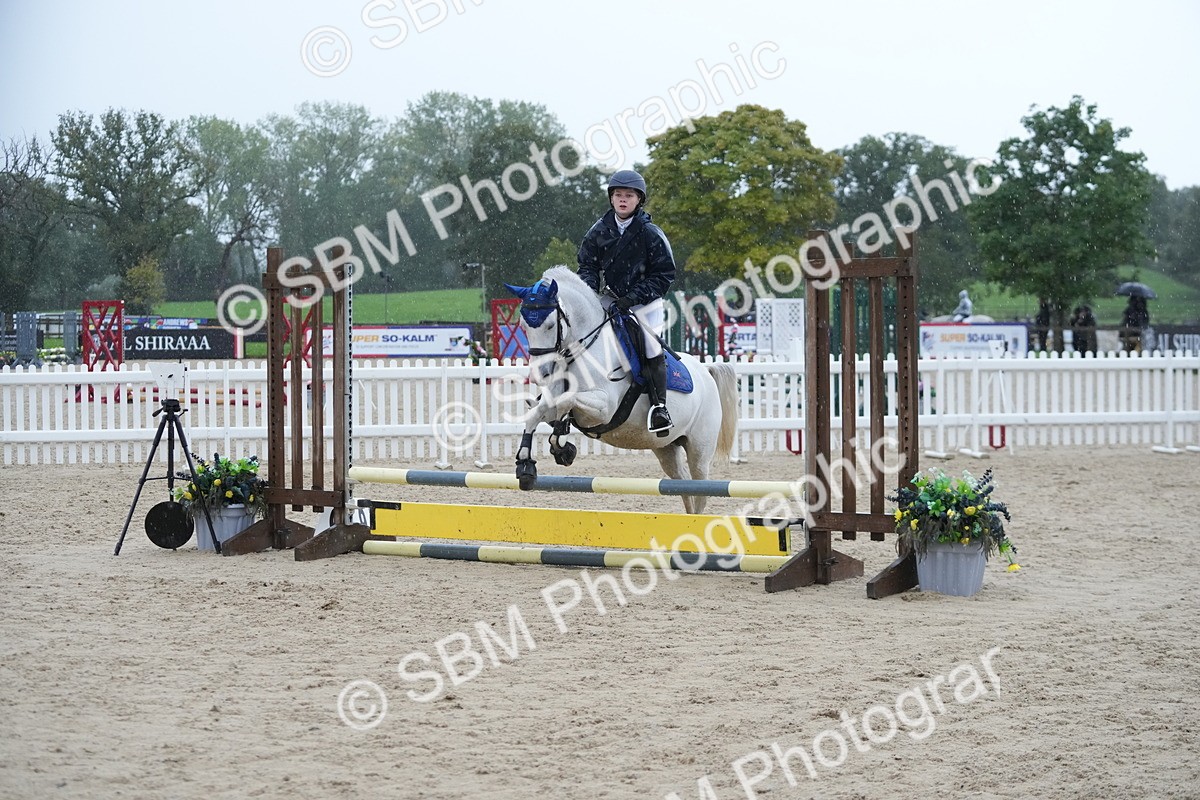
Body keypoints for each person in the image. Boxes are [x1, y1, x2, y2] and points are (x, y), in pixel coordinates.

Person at [577, 169, 677, 434]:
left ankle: (659, 408)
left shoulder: (649, 233)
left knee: (650, 345)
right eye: (618, 195)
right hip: (609, 299)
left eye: (628, 195)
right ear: (611, 198)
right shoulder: (599, 230)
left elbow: (665, 275)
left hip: (645, 301)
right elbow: (587, 265)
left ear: (638, 200)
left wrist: (633, 297)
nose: (623, 199)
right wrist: (590, 293)